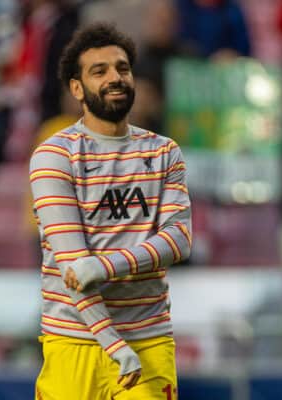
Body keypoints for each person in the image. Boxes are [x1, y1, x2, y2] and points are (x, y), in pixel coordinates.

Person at [29, 23, 192, 399]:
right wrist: (112, 342)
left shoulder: (163, 151)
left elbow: (178, 240)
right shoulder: (55, 155)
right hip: (75, 341)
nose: (115, 78)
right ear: (76, 88)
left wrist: (104, 266)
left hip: (149, 339)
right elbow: (73, 265)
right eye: (99, 71)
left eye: (122, 68)